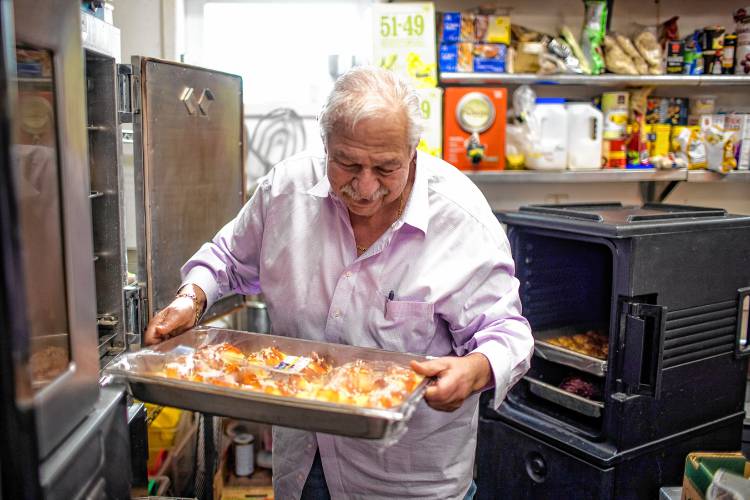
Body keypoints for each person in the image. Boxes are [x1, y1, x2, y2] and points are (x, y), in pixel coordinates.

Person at [144, 66, 533, 500]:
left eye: (386, 168)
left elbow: (507, 333)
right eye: (347, 164)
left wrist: (474, 371)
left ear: (413, 151)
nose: (365, 187)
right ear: (325, 143)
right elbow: (225, 258)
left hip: (409, 479)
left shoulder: (461, 220)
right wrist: (190, 299)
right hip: (304, 461)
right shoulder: (285, 193)